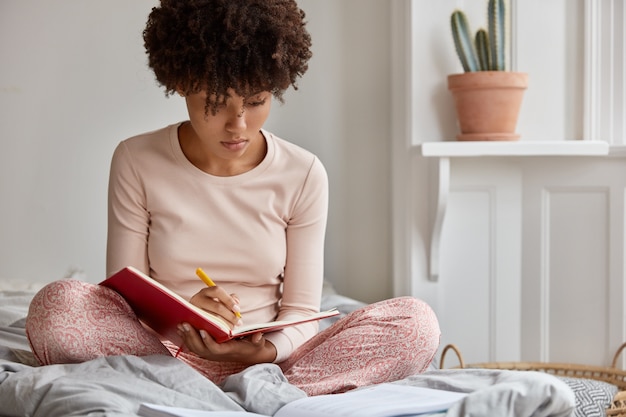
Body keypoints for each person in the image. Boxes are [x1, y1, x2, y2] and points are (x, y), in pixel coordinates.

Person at [25, 0, 440, 396]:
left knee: (416, 324)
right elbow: (124, 299)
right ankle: (244, 396)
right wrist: (186, 314)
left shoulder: (304, 173)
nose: (238, 125)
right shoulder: (136, 159)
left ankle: (242, 391)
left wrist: (263, 350)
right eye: (216, 103)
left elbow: (300, 312)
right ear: (182, 83)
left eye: (257, 102)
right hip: (166, 351)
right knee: (56, 307)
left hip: (273, 364)